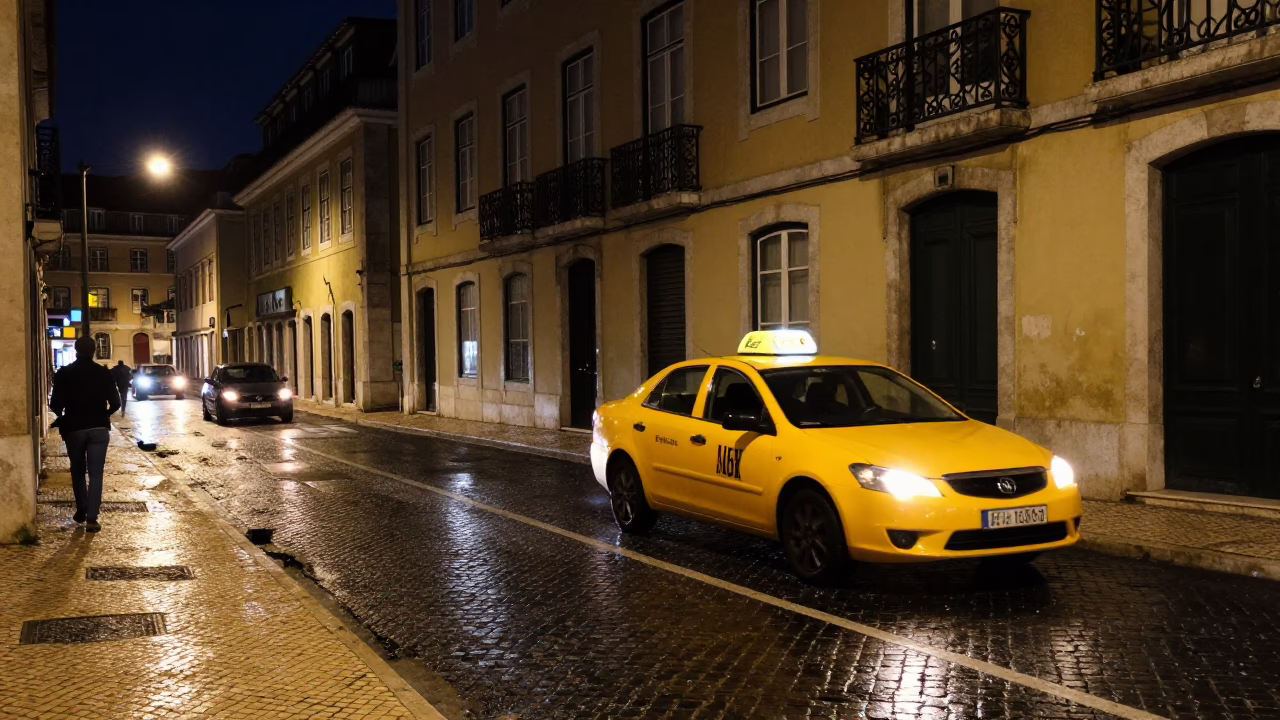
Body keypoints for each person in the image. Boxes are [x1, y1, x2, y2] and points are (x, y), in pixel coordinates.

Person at [49, 336, 121, 533]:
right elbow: (116, 403)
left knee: (78, 471)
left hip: (74, 428)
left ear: (76, 350)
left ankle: (81, 508)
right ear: (94, 351)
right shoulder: (103, 373)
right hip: (99, 428)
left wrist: (64, 413)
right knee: (96, 474)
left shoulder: (65, 373)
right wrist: (103, 414)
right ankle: (92, 518)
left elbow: (55, 405)